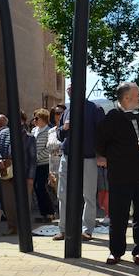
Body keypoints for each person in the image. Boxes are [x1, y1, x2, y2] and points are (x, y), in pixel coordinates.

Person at [96, 82, 139, 265]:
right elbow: (100, 141)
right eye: (136, 95)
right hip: (120, 174)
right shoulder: (113, 116)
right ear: (126, 98)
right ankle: (116, 251)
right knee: (118, 215)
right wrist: (104, 156)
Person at [54, 86, 105, 241]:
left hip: (88, 157)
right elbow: (59, 135)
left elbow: (102, 133)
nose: (69, 91)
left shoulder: (95, 109)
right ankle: (63, 229)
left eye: (72, 89)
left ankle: (87, 230)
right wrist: (64, 127)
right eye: (68, 90)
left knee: (88, 195)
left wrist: (100, 155)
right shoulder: (66, 112)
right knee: (62, 194)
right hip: (67, 157)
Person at [0, 111, 36, 236]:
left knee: (25, 203)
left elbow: (33, 159)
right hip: (6, 173)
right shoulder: (3, 133)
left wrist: (30, 177)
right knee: (8, 202)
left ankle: (24, 228)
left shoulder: (29, 137)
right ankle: (12, 227)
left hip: (24, 174)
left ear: (23, 120)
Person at [31, 108, 56, 221]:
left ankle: (50, 212)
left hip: (45, 163)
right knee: (37, 188)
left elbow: (48, 148)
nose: (34, 120)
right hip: (35, 164)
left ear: (44, 119)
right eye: (34, 118)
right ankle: (44, 214)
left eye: (37, 118)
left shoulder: (49, 131)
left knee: (41, 187)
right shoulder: (33, 131)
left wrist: (37, 157)